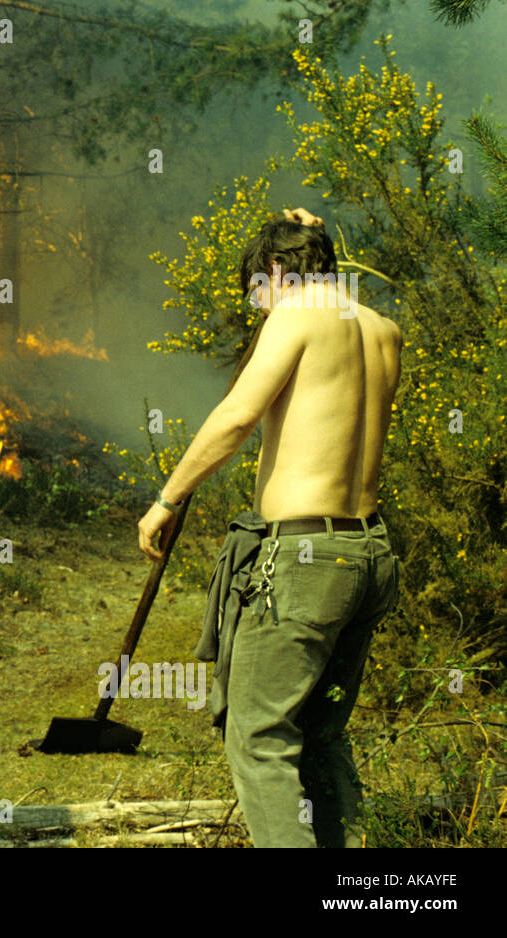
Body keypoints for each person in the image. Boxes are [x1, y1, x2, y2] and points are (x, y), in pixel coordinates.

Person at [136, 207, 402, 847]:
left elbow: (236, 418)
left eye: (257, 289)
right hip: (368, 554)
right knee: (321, 734)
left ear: (277, 273)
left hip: (306, 562)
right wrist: (319, 232)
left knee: (258, 736)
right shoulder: (381, 328)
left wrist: (169, 499)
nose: (257, 308)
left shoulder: (297, 314)